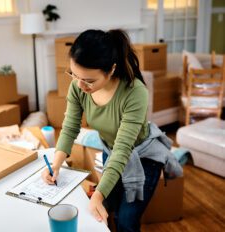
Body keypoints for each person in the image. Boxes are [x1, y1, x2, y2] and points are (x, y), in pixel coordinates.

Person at [42, 29, 182, 232]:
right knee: (109, 208)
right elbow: (71, 126)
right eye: (74, 74)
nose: (80, 85)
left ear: (111, 70)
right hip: (110, 150)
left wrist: (98, 194)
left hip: (142, 158)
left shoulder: (135, 93)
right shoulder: (78, 87)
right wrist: (55, 165)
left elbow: (123, 149)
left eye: (89, 80)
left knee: (126, 220)